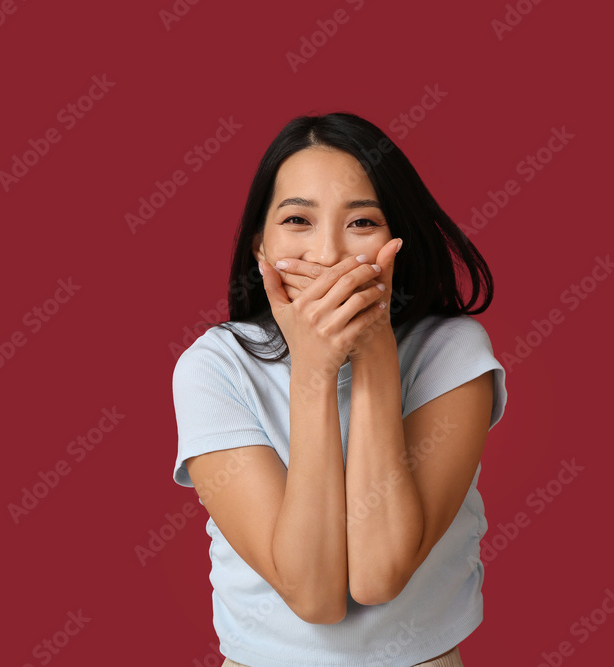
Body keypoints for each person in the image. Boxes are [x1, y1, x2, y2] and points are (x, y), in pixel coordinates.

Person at [170, 112, 507, 667]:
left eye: (362, 222)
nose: (327, 255)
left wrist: (373, 352)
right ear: (260, 248)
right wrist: (314, 371)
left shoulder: (451, 352)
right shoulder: (215, 367)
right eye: (297, 220)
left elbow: (379, 575)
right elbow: (314, 596)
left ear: (397, 242)